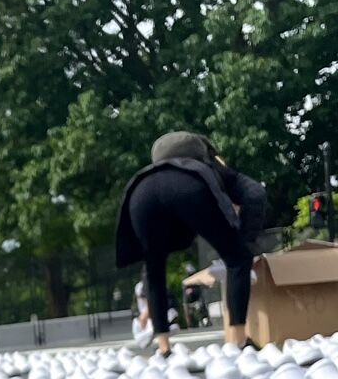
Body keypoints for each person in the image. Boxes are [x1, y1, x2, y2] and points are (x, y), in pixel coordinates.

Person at [115, 130, 269, 357]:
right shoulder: (205, 167)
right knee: (238, 258)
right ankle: (239, 341)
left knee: (153, 269)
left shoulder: (150, 174)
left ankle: (164, 348)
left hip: (140, 195)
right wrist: (245, 238)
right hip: (189, 189)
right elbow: (254, 193)